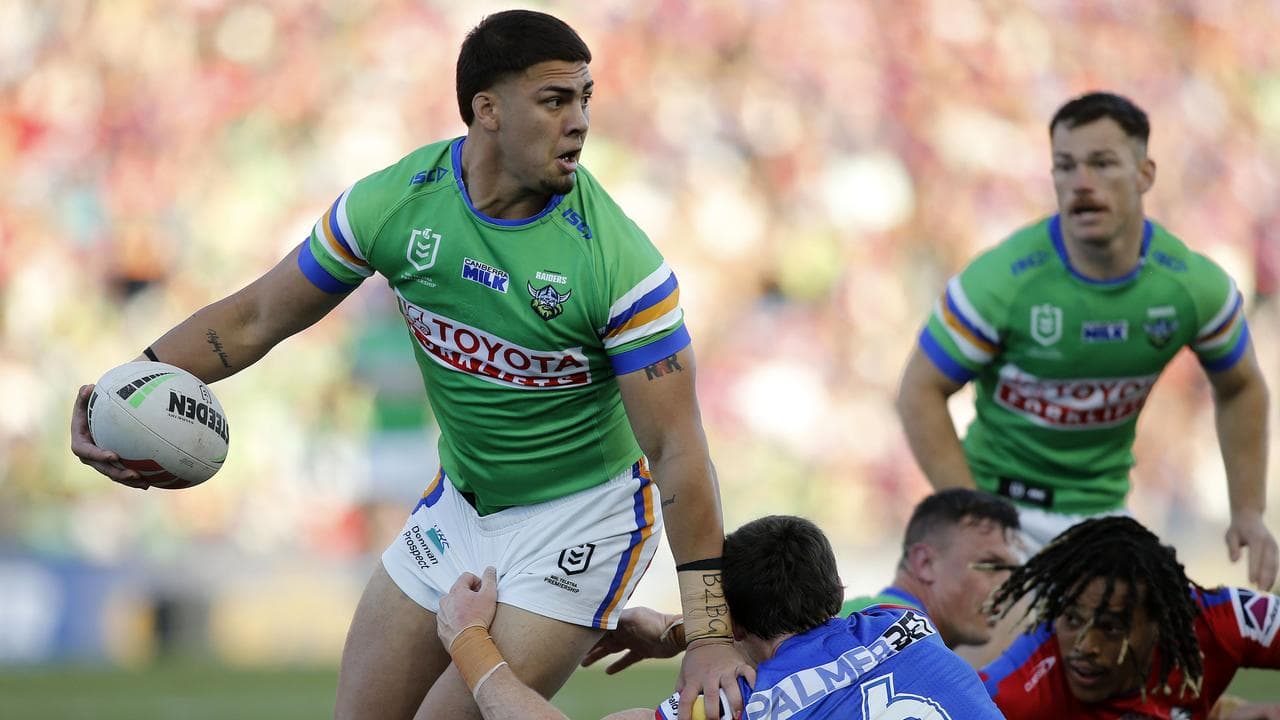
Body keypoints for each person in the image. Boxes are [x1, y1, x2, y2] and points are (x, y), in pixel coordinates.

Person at [68, 10, 749, 720]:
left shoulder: (619, 265)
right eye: (555, 101)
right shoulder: (395, 204)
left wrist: (709, 635)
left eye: (584, 99)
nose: (578, 122)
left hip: (582, 520)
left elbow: (678, 450)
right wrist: (122, 393)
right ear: (487, 109)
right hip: (461, 503)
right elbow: (257, 317)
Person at [896, 90, 1278, 590]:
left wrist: (1248, 510)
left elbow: (1242, 385)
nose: (1081, 183)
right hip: (998, 505)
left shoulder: (1190, 287)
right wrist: (972, 517)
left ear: (1145, 174)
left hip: (1103, 516)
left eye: (1101, 163)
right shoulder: (1001, 282)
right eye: (1065, 166)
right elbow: (918, 390)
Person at [439, 515, 1004, 720]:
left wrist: (468, 638)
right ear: (837, 592)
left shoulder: (734, 705)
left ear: (730, 620)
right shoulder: (902, 624)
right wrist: (677, 632)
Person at [981, 515, 1280, 719]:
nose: (1085, 646)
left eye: (1110, 628)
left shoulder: (1219, 620)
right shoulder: (1021, 684)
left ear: (1158, 624)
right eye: (1072, 620)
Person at [838, 488, 1021, 650]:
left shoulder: (855, 620)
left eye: (1013, 573)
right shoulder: (901, 640)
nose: (1008, 590)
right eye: (991, 566)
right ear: (925, 563)